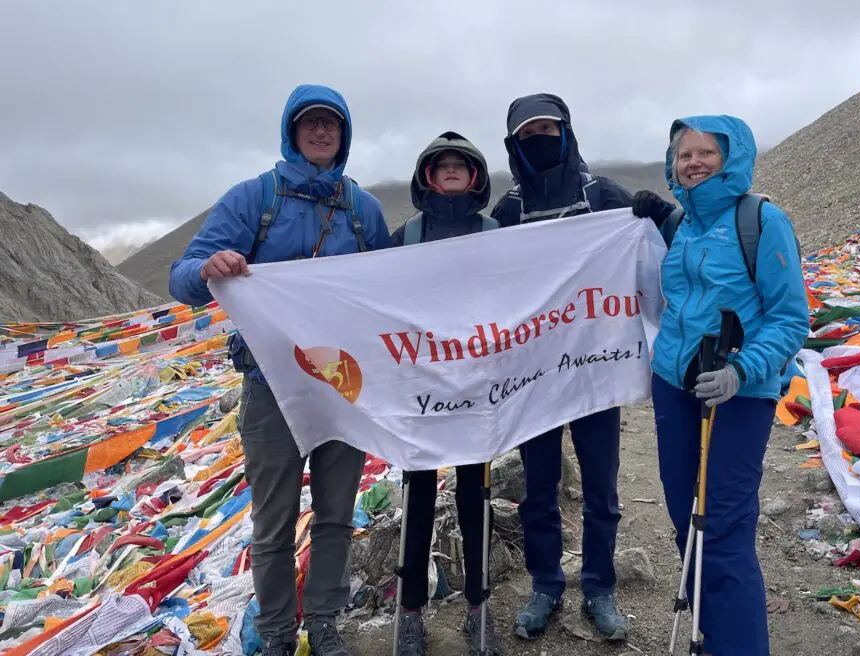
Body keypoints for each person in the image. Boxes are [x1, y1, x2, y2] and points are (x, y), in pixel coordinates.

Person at [169, 84, 392, 656]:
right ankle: (274, 635)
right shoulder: (254, 198)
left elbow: (389, 288)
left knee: (338, 514)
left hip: (345, 385)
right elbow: (183, 274)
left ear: (344, 136)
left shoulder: (363, 210)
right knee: (272, 522)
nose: (321, 133)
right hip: (271, 386)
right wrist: (207, 269)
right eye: (309, 124)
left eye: (332, 125)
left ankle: (324, 623)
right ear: (291, 131)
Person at [632, 115, 809, 656]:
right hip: (675, 389)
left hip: (736, 396)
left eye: (706, 152)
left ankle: (739, 645)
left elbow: (790, 318)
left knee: (724, 528)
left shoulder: (761, 220)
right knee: (686, 517)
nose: (694, 162)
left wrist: (742, 371)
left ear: (731, 160)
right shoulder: (682, 225)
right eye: (684, 154)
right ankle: (706, 633)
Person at [490, 93, 633, 642]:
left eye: (548, 129)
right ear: (513, 145)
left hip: (596, 371)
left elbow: (655, 253)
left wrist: (659, 217)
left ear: (568, 132)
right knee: (539, 489)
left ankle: (599, 588)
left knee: (602, 489)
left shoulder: (604, 197)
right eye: (528, 135)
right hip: (535, 377)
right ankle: (545, 584)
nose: (540, 140)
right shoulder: (505, 212)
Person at [389, 132, 501, 656]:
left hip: (477, 385)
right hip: (421, 390)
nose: (452, 169)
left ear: (475, 175)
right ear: (427, 176)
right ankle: (410, 610)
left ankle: (479, 607)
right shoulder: (405, 236)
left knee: (476, 495)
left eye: (461, 163)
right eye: (442, 164)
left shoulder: (495, 232)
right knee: (418, 496)